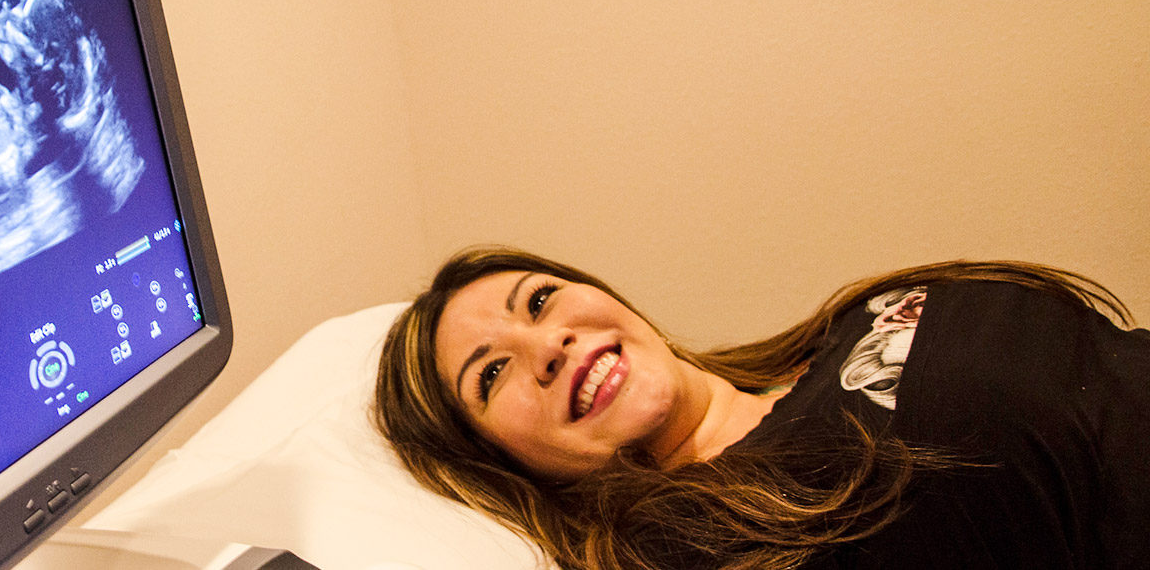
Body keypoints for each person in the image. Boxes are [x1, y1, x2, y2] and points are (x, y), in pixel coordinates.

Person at [372, 246, 1150, 570]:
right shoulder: (691, 548)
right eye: (493, 372)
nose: (548, 345)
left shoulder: (837, 332)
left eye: (539, 299)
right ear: (497, 460)